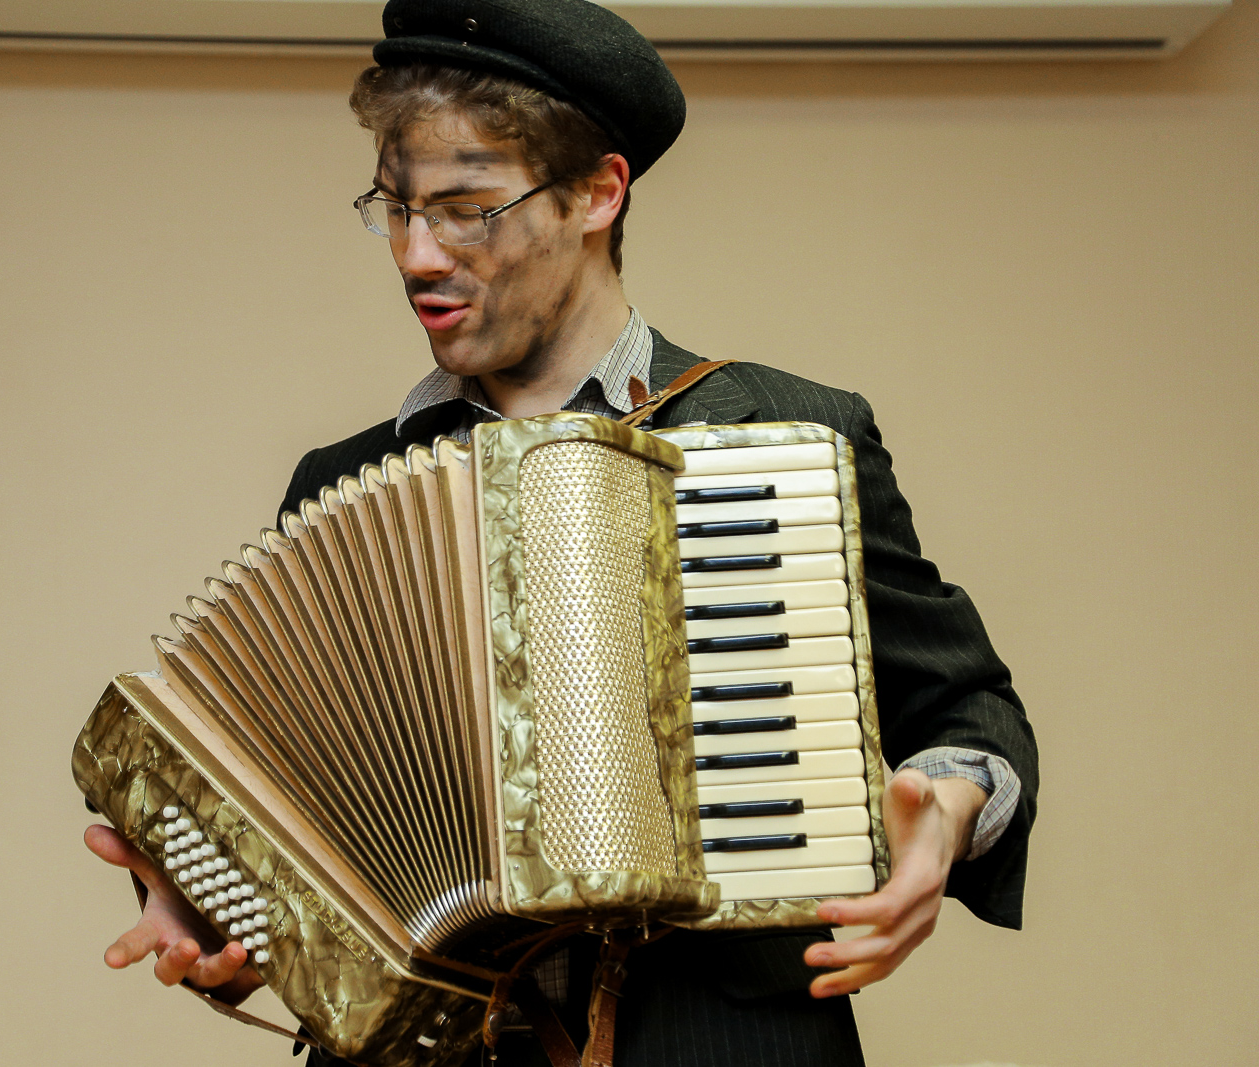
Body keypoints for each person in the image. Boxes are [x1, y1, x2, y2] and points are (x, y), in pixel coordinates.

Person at [84, 0, 1038, 1062]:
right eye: (395, 208)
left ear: (596, 192)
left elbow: (968, 712)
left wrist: (947, 814)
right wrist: (221, 919)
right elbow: (302, 822)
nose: (417, 254)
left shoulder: (779, 438)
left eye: (466, 209)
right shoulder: (345, 484)